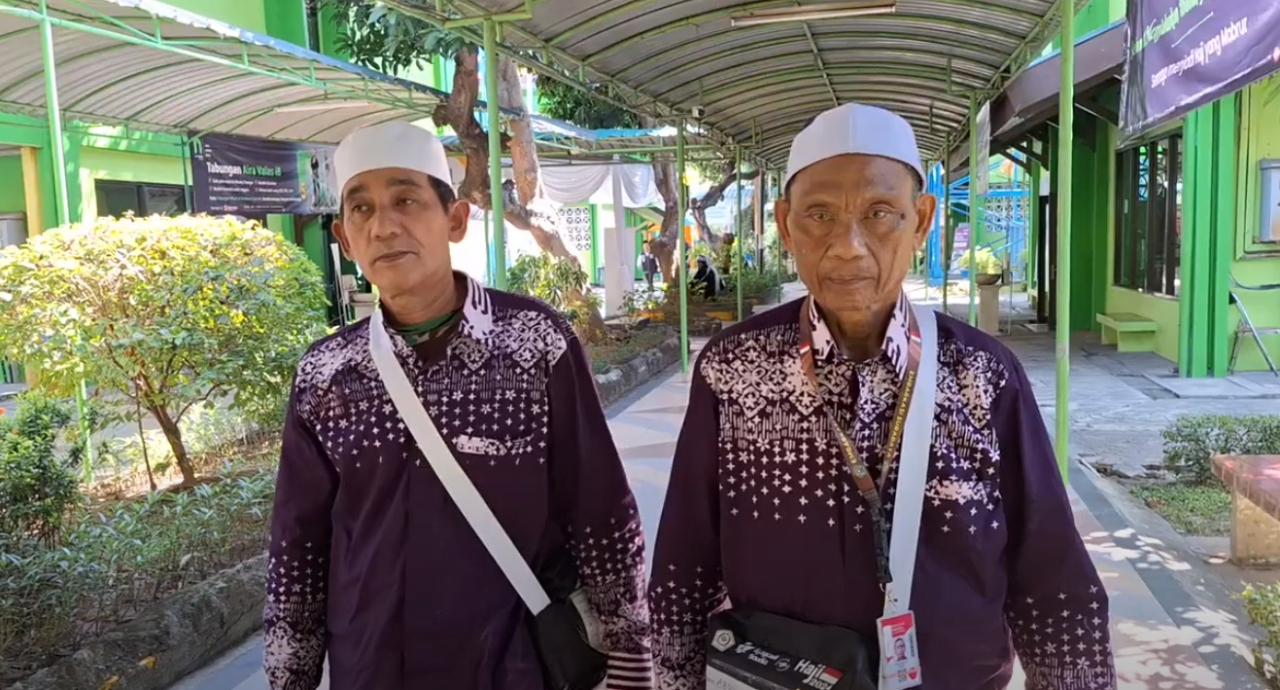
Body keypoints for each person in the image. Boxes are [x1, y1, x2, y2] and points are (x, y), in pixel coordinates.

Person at [648, 103, 1116, 689]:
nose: (848, 245)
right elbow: (684, 568)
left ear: (921, 221)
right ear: (786, 224)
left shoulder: (982, 374)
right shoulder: (733, 368)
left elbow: (1053, 582)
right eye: (819, 214)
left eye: (880, 213)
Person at [264, 120, 652, 690]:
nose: (384, 225)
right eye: (362, 210)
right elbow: (298, 544)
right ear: (344, 240)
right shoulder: (326, 373)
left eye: (405, 199)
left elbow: (600, 510)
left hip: (515, 662)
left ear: (455, 219)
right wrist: (289, 678)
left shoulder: (534, 343)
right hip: (371, 665)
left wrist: (630, 663)